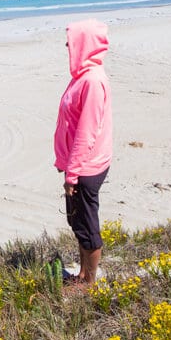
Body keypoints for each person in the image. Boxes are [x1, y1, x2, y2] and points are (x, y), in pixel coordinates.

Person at [53, 18, 113, 285]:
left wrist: (72, 174)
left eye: (72, 40)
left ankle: (88, 283)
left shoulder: (91, 81)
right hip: (79, 165)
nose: (68, 44)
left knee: (87, 227)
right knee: (77, 223)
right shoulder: (82, 77)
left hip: (85, 168)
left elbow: (86, 133)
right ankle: (82, 275)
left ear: (84, 43)